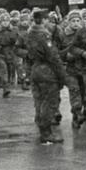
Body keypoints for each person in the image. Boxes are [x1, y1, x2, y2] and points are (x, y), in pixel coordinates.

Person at [26, 8, 67, 145]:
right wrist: (63, 77)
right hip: (47, 71)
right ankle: (47, 133)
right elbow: (53, 58)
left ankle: (42, 128)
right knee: (50, 102)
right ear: (43, 20)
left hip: (35, 69)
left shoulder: (30, 33)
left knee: (39, 100)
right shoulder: (44, 34)